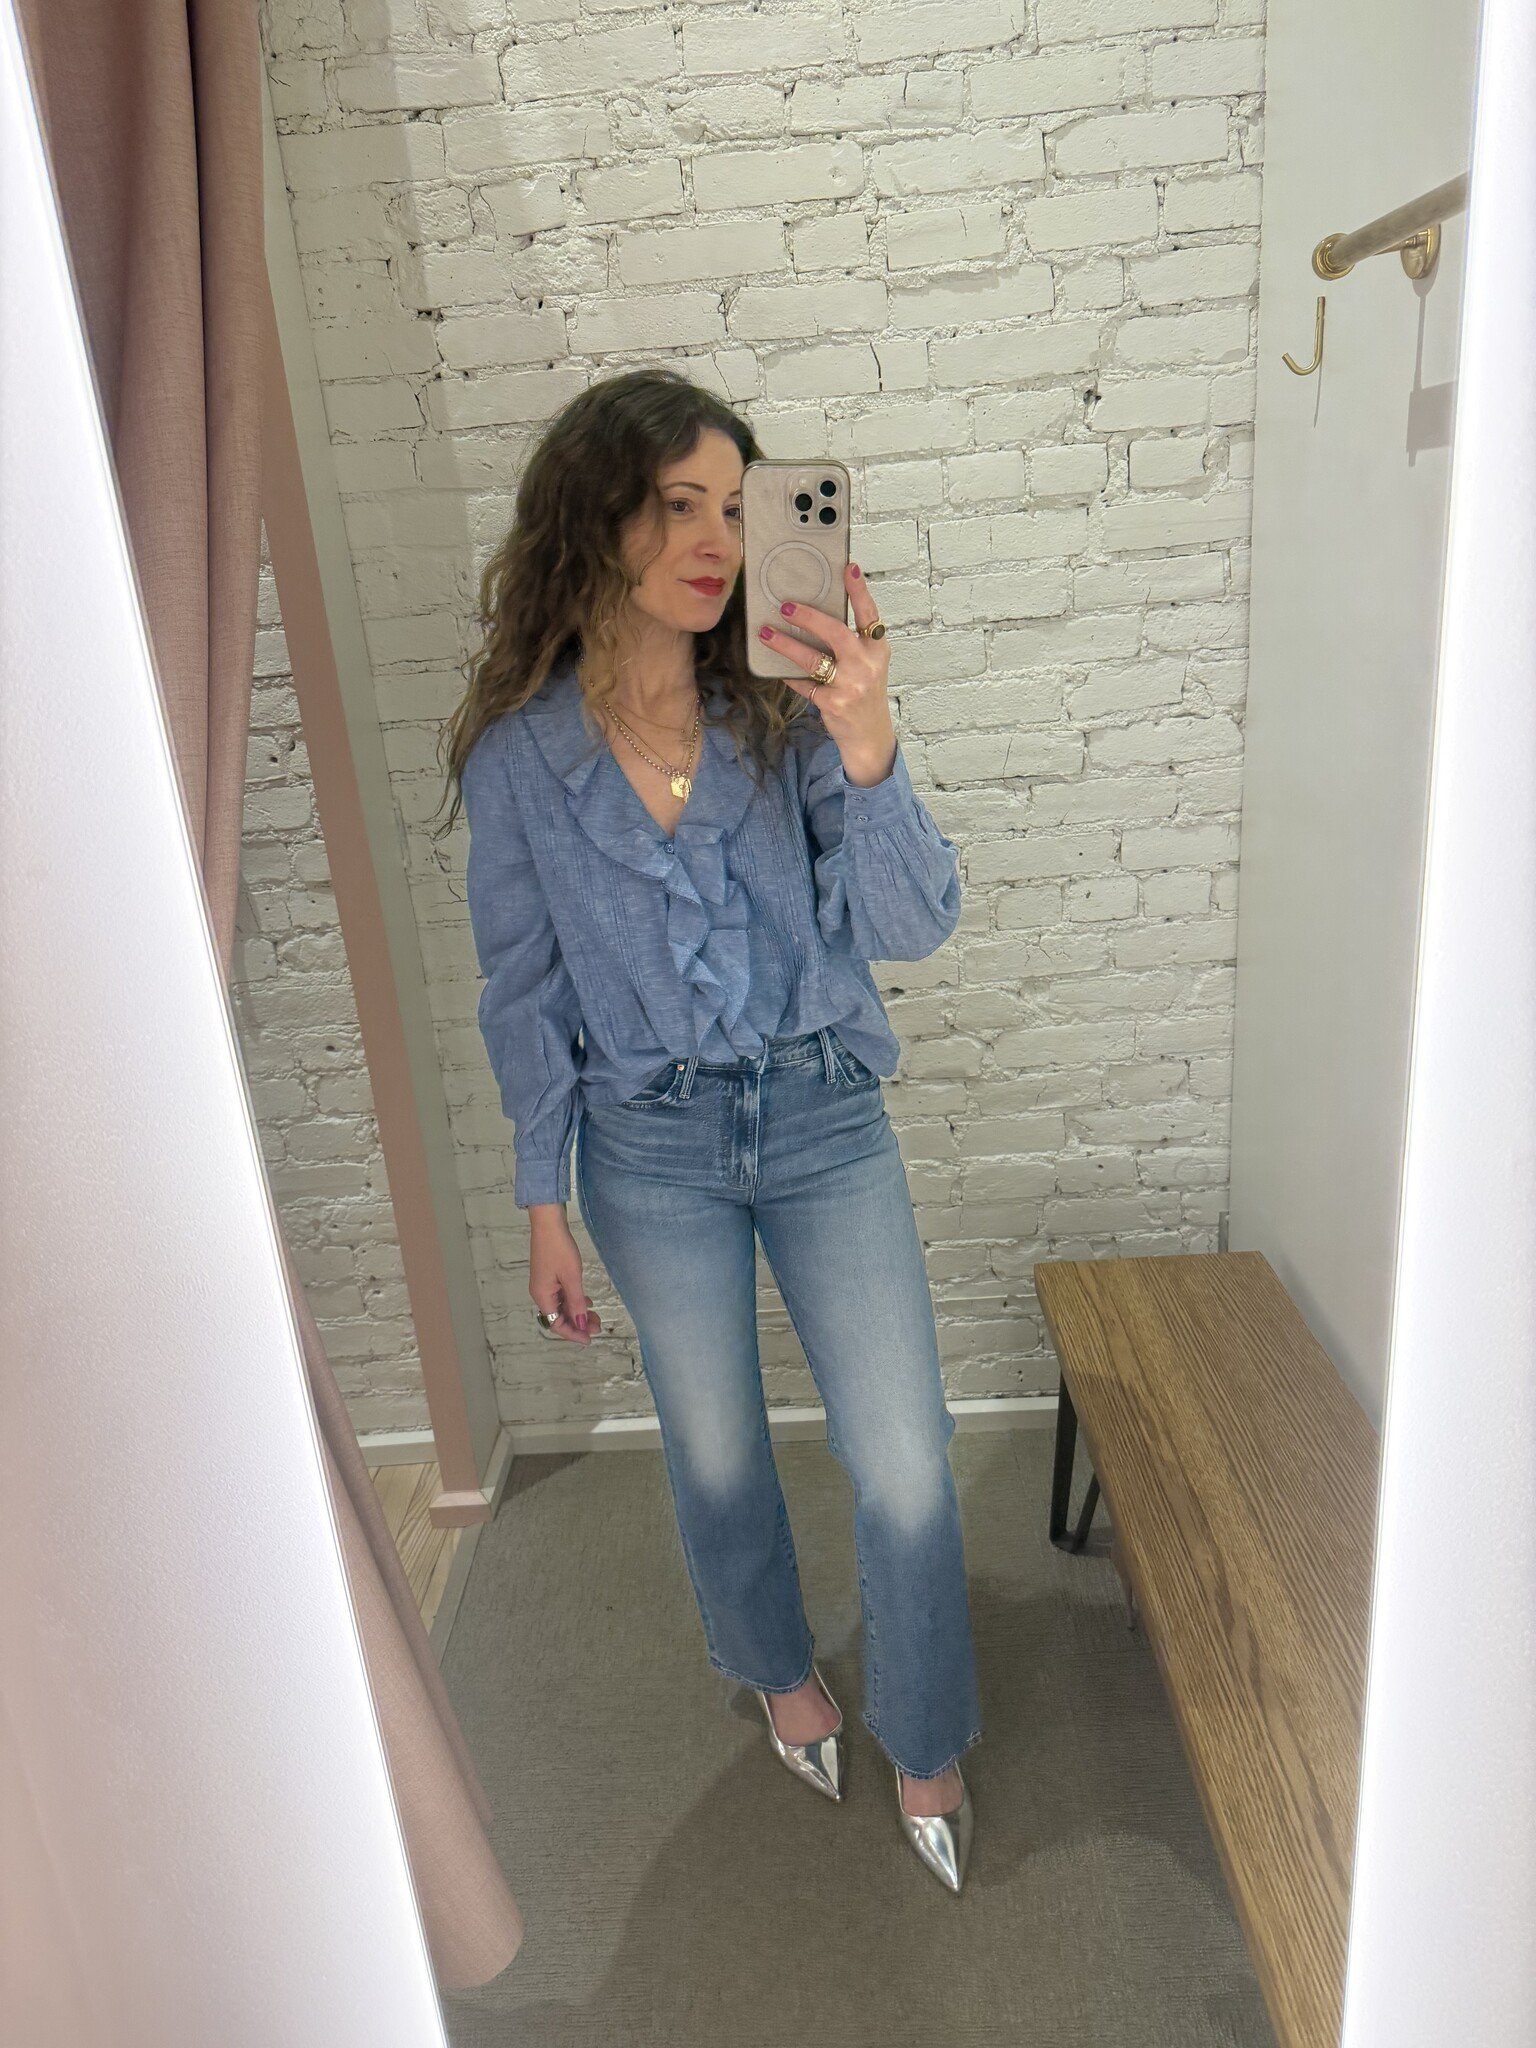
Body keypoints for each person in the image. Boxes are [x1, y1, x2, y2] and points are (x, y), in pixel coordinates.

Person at [437, 366, 982, 1893]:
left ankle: (928, 1732)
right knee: (720, 1451)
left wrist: (867, 743)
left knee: (907, 1460)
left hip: (823, 1119)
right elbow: (523, 991)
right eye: (677, 505)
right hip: (650, 1152)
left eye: (738, 510)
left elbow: (912, 924)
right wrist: (541, 1195)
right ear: (594, 517)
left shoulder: (787, 713)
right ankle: (776, 1670)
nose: (715, 541)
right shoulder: (519, 761)